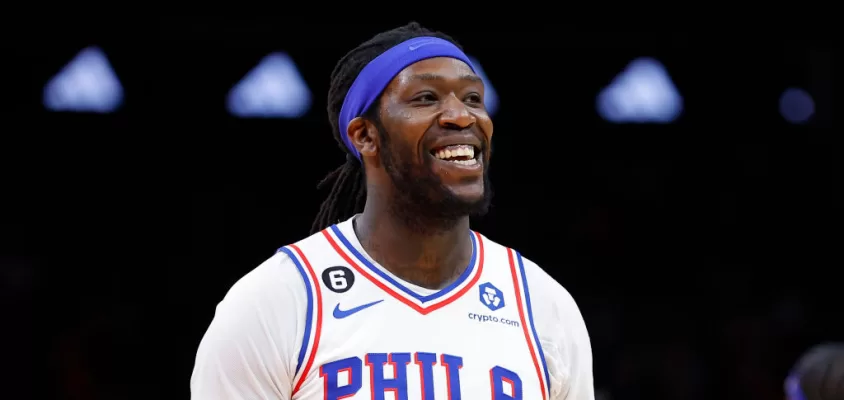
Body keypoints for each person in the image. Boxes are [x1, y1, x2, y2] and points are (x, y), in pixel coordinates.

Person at [190, 22, 594, 400]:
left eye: (473, 98)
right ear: (365, 136)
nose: (461, 115)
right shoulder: (277, 300)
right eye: (426, 98)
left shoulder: (543, 305)